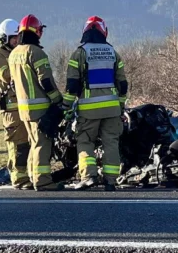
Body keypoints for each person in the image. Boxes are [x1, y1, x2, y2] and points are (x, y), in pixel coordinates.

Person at [63, 16, 128, 191]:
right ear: (103, 31)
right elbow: (122, 85)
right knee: (111, 142)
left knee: (85, 141)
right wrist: (121, 107)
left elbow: (72, 85)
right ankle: (111, 181)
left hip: (88, 110)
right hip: (112, 109)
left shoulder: (79, 53)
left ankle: (89, 176)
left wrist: (65, 108)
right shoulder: (114, 53)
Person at [9, 14, 65, 191]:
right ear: (37, 31)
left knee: (33, 143)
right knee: (42, 143)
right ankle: (43, 181)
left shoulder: (13, 54)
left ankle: (33, 177)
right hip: (40, 108)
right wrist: (58, 100)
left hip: (23, 109)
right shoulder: (36, 52)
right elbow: (46, 80)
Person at [0, 18, 31, 189]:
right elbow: (8, 76)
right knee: (18, 144)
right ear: (4, 38)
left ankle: (29, 175)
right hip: (12, 110)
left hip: (26, 105)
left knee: (29, 144)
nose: (17, 41)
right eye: (14, 38)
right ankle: (19, 178)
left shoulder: (16, 52)